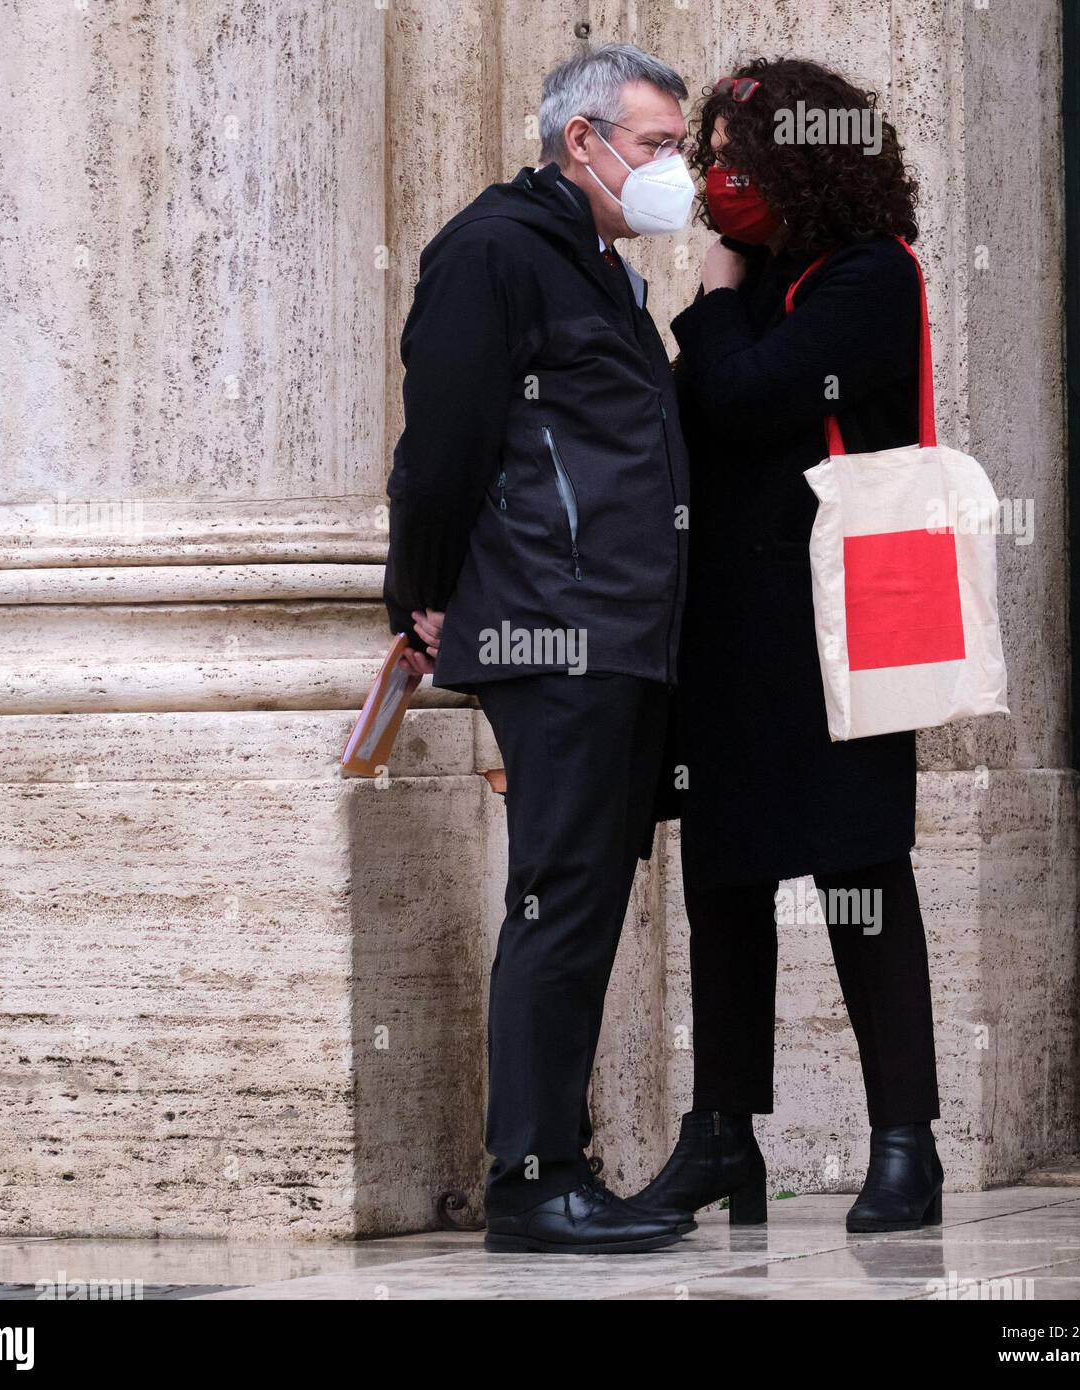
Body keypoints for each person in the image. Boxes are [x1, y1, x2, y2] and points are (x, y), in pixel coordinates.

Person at [384, 43, 697, 1253]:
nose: (677, 172)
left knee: (582, 896)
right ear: (584, 141)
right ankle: (530, 1176)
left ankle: (558, 1156)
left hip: (617, 631)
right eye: (660, 147)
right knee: (558, 896)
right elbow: (443, 443)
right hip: (551, 630)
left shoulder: (601, 269)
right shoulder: (494, 252)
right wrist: (418, 592)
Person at [627, 57, 945, 1233]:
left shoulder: (869, 275)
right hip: (724, 631)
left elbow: (752, 398)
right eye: (709, 156)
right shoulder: (755, 285)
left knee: (862, 873)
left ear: (811, 159)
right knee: (722, 879)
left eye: (740, 158)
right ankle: (722, 1135)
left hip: (835, 628)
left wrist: (709, 303)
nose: (718, 179)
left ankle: (904, 1141)